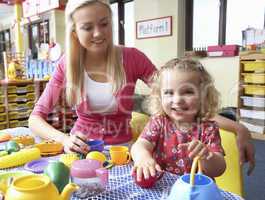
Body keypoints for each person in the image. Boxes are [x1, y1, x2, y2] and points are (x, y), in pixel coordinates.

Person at [28, 0, 255, 174]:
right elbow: (35, 118)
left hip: (125, 154)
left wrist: (238, 128)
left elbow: (180, 97)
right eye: (88, 27)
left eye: (104, 24)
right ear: (75, 32)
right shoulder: (67, 64)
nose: (99, 33)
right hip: (82, 154)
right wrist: (64, 139)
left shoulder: (132, 58)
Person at [131, 58, 226, 181]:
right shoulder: (159, 122)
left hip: (195, 191)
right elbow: (139, 145)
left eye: (188, 92)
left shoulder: (208, 128)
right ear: (160, 97)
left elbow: (219, 169)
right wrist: (143, 157)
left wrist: (207, 155)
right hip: (163, 187)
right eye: (169, 93)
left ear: (204, 96)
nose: (177, 100)